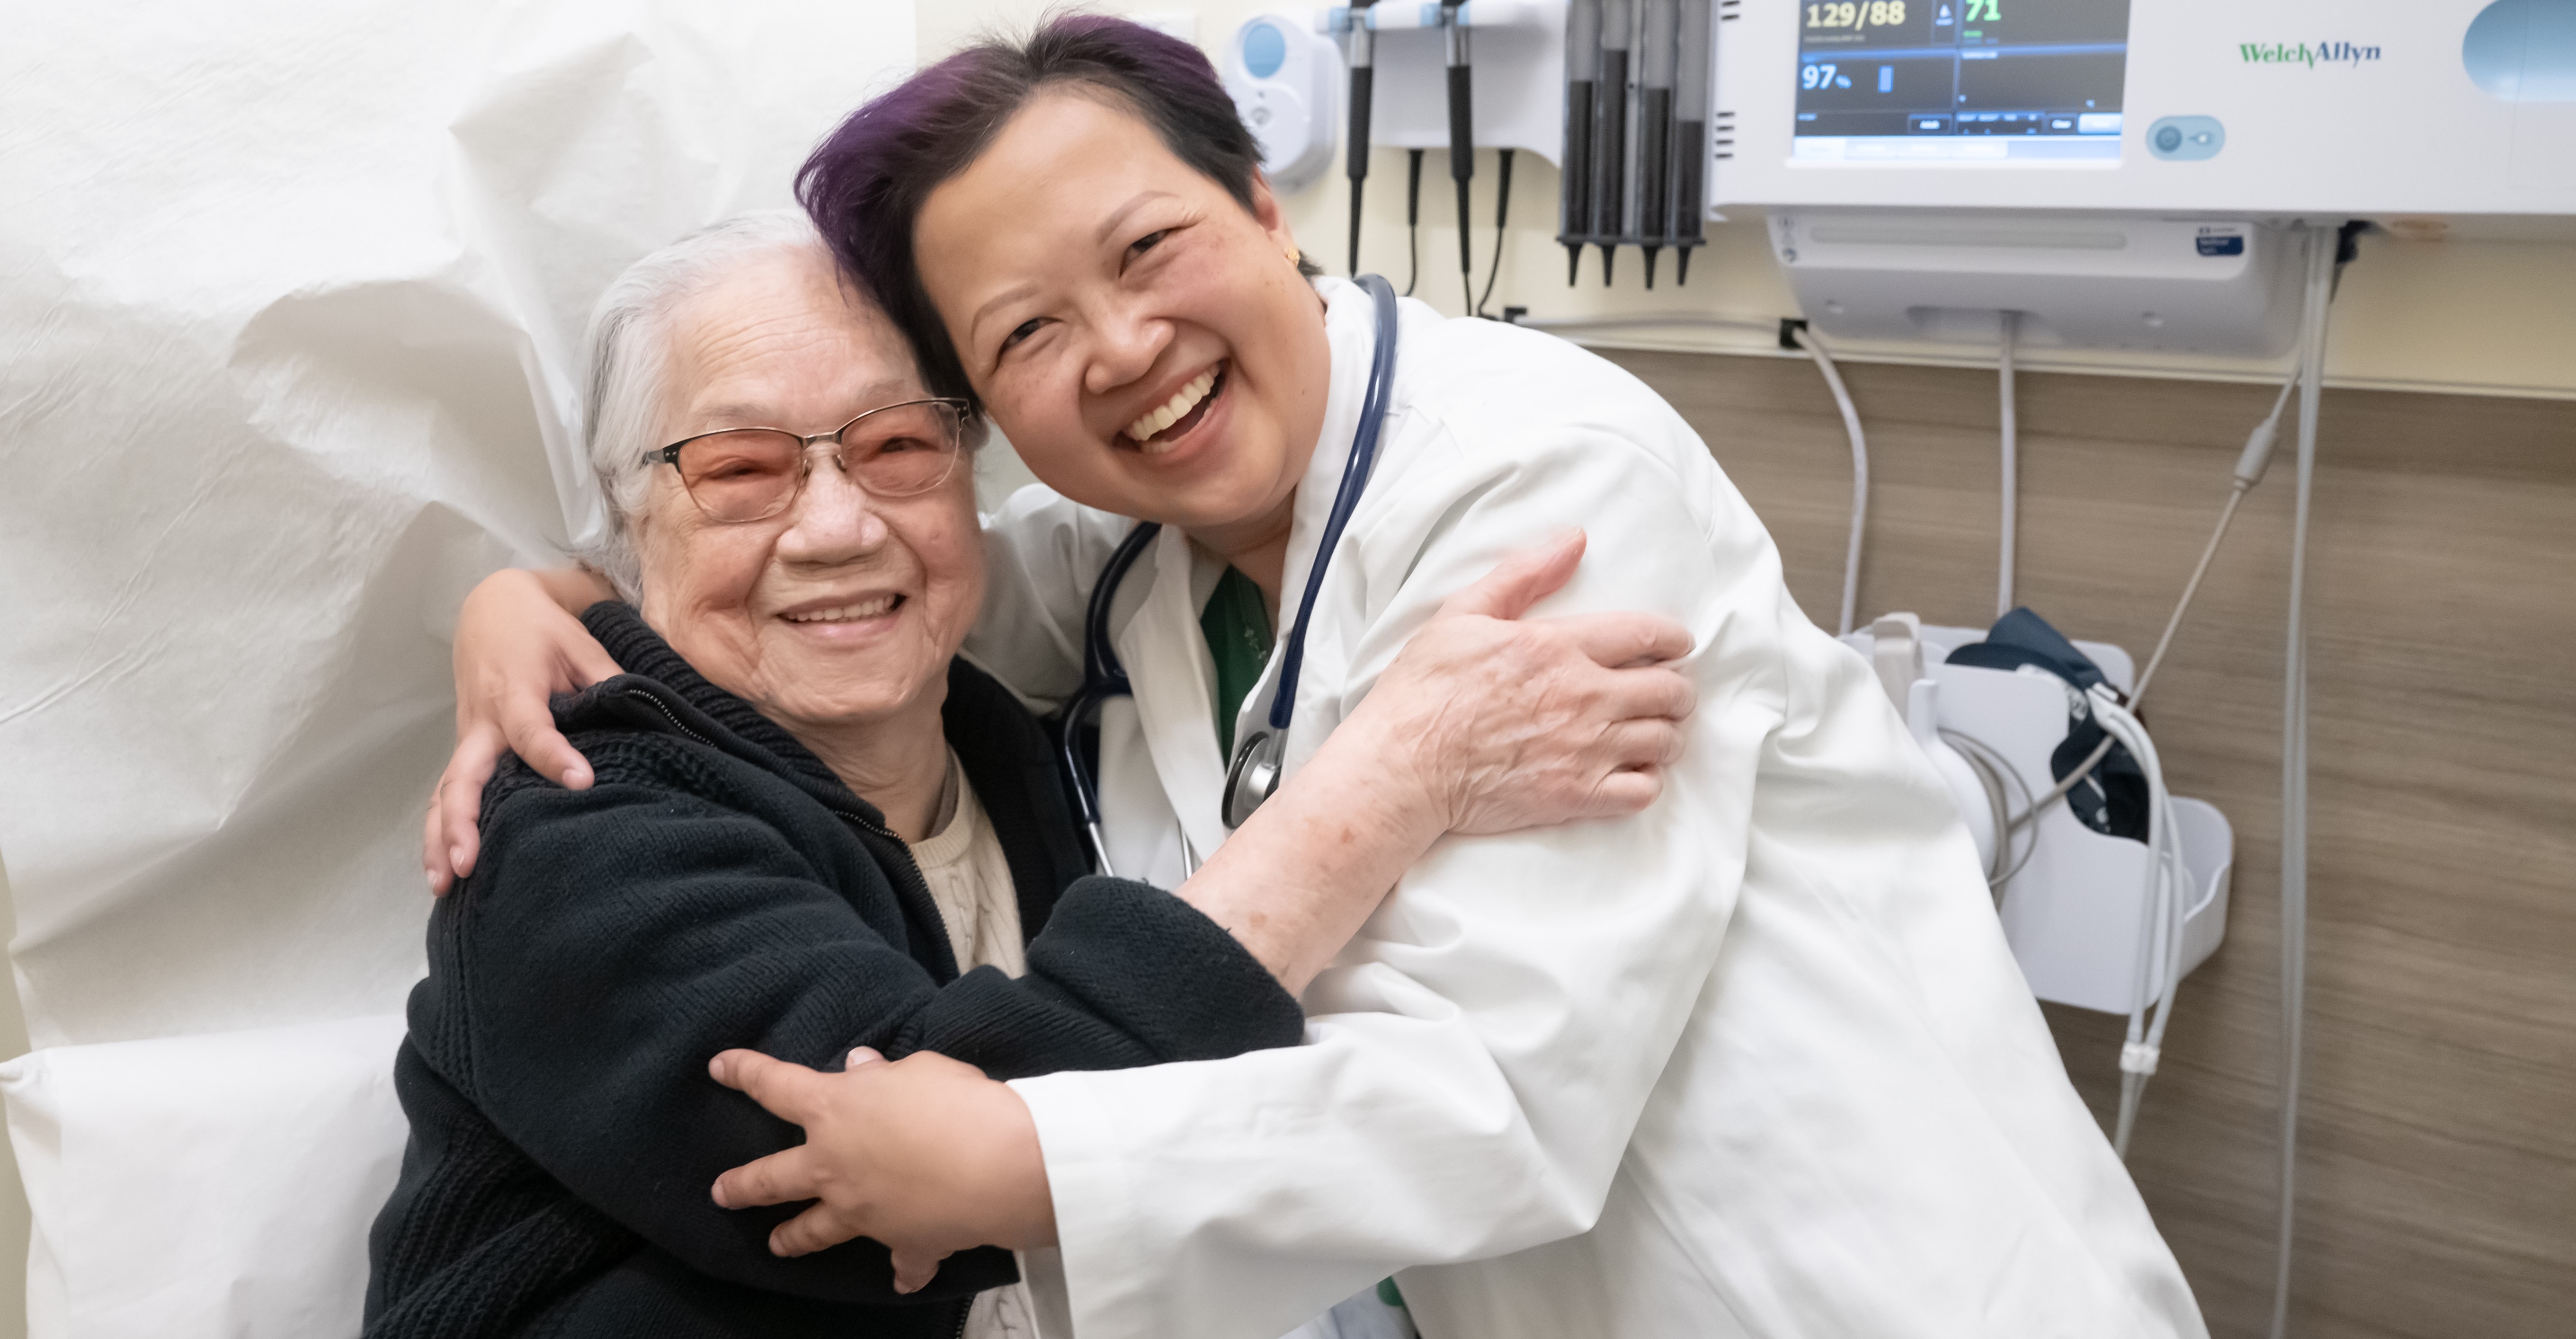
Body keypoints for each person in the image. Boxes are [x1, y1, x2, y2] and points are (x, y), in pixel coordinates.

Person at [437, 18, 2211, 1339]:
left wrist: (1025, 1167)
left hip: (1846, 1283)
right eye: (1028, 334)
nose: (1122, 350)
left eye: (1147, 252)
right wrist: (542, 598)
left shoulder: (1544, 489)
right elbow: (868, 571)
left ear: (1263, 205)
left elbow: (1495, 1091)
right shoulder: (1130, 553)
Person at [368, 213, 1698, 1339]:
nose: (837, 527)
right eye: (738, 469)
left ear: (969, 479)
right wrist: (1397, 777)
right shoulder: (572, 835)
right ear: (623, 529)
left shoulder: (1015, 746)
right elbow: (941, 1179)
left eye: (896, 447)